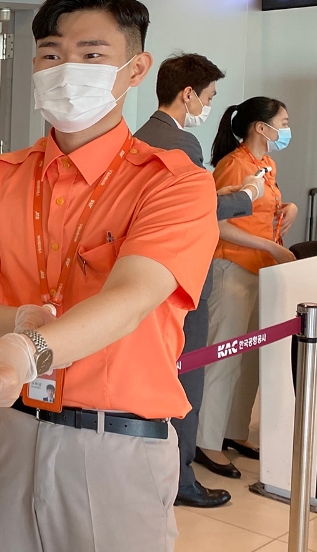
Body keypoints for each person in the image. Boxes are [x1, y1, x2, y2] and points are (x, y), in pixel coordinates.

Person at [0, 0, 218, 552]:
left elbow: (131, 298)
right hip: (7, 428)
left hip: (113, 443)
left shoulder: (175, 183)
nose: (67, 69)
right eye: (51, 54)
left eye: (92, 55)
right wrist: (17, 325)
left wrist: (26, 349)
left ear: (135, 69)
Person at [134, 53, 265, 508]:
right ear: (188, 93)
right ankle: (181, 478)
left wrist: (213, 191)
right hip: (183, 282)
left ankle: (152, 469)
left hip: (146, 280)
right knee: (185, 381)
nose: (208, 106)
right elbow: (194, 214)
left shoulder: (137, 138)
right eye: (207, 96)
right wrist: (247, 196)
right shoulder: (183, 143)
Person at [195, 97, 296, 478]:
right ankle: (206, 440)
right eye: (282, 122)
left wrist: (290, 209)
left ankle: (234, 431)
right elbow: (217, 223)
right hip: (232, 268)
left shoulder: (266, 164)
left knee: (251, 357)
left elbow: (268, 206)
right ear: (260, 127)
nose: (286, 129)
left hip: (261, 272)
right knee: (224, 357)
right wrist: (270, 246)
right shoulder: (233, 165)